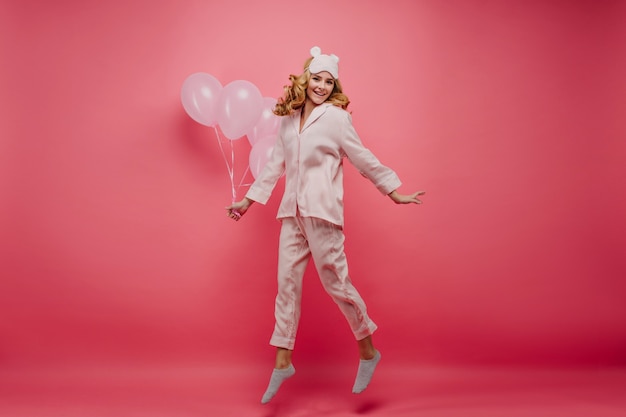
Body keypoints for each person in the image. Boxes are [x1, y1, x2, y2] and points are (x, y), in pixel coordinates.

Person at [226, 46, 425, 404]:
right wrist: (247, 202)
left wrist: (392, 190)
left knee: (337, 284)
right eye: (316, 78)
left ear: (334, 87)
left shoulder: (336, 118)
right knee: (286, 286)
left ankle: (368, 351)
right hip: (292, 213)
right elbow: (274, 165)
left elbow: (361, 156)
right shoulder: (289, 118)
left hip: (323, 213)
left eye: (328, 81)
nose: (321, 86)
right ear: (306, 78)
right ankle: (283, 362)